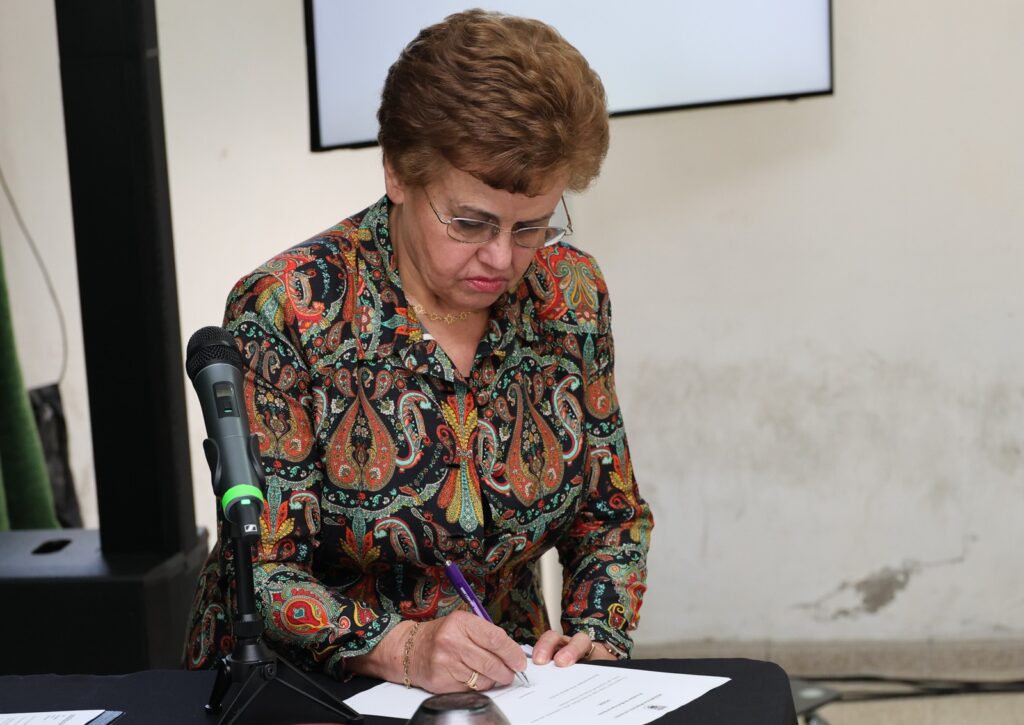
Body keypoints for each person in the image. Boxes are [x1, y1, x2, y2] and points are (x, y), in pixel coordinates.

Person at [184, 9, 653, 694]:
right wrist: (399, 646)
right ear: (399, 173)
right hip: (308, 689)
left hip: (506, 687)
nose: (502, 258)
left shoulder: (570, 295)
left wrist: (595, 633)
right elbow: (264, 569)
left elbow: (611, 517)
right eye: (470, 222)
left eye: (532, 227)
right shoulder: (290, 309)